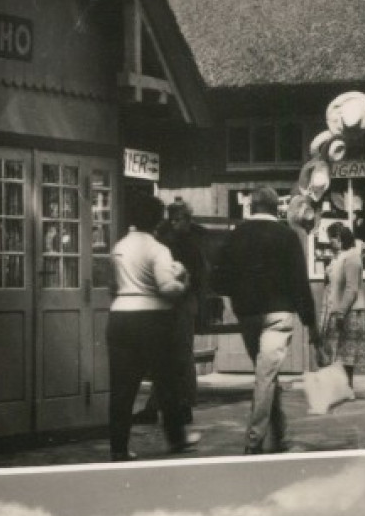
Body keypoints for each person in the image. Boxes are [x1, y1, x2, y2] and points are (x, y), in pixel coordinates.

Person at [214, 186, 320, 455]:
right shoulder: (287, 236)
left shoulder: (235, 235)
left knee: (265, 374)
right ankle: (254, 442)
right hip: (279, 314)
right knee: (266, 376)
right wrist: (311, 323)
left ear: (252, 206)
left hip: (247, 313)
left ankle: (279, 433)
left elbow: (219, 279)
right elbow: (300, 283)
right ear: (277, 208)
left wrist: (238, 294)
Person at [107, 193, 195, 461]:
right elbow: (168, 289)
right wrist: (184, 279)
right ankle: (177, 438)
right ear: (157, 221)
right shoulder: (158, 249)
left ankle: (119, 447)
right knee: (166, 381)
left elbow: (113, 285)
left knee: (122, 387)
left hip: (120, 316)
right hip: (153, 320)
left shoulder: (119, 247)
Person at [156, 199, 207, 427]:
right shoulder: (169, 240)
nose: (175, 223)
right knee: (168, 354)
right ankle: (161, 404)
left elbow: (199, 277)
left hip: (184, 301)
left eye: (179, 219)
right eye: (172, 219)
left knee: (183, 354)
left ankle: (185, 405)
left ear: (187, 220)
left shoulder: (190, 242)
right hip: (171, 300)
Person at [320, 223, 365, 396]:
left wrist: (341, 311)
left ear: (339, 238)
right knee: (335, 350)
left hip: (349, 311)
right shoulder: (338, 258)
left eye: (331, 238)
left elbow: (352, 288)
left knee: (347, 352)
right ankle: (339, 388)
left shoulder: (352, 257)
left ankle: (347, 388)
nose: (329, 242)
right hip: (336, 309)